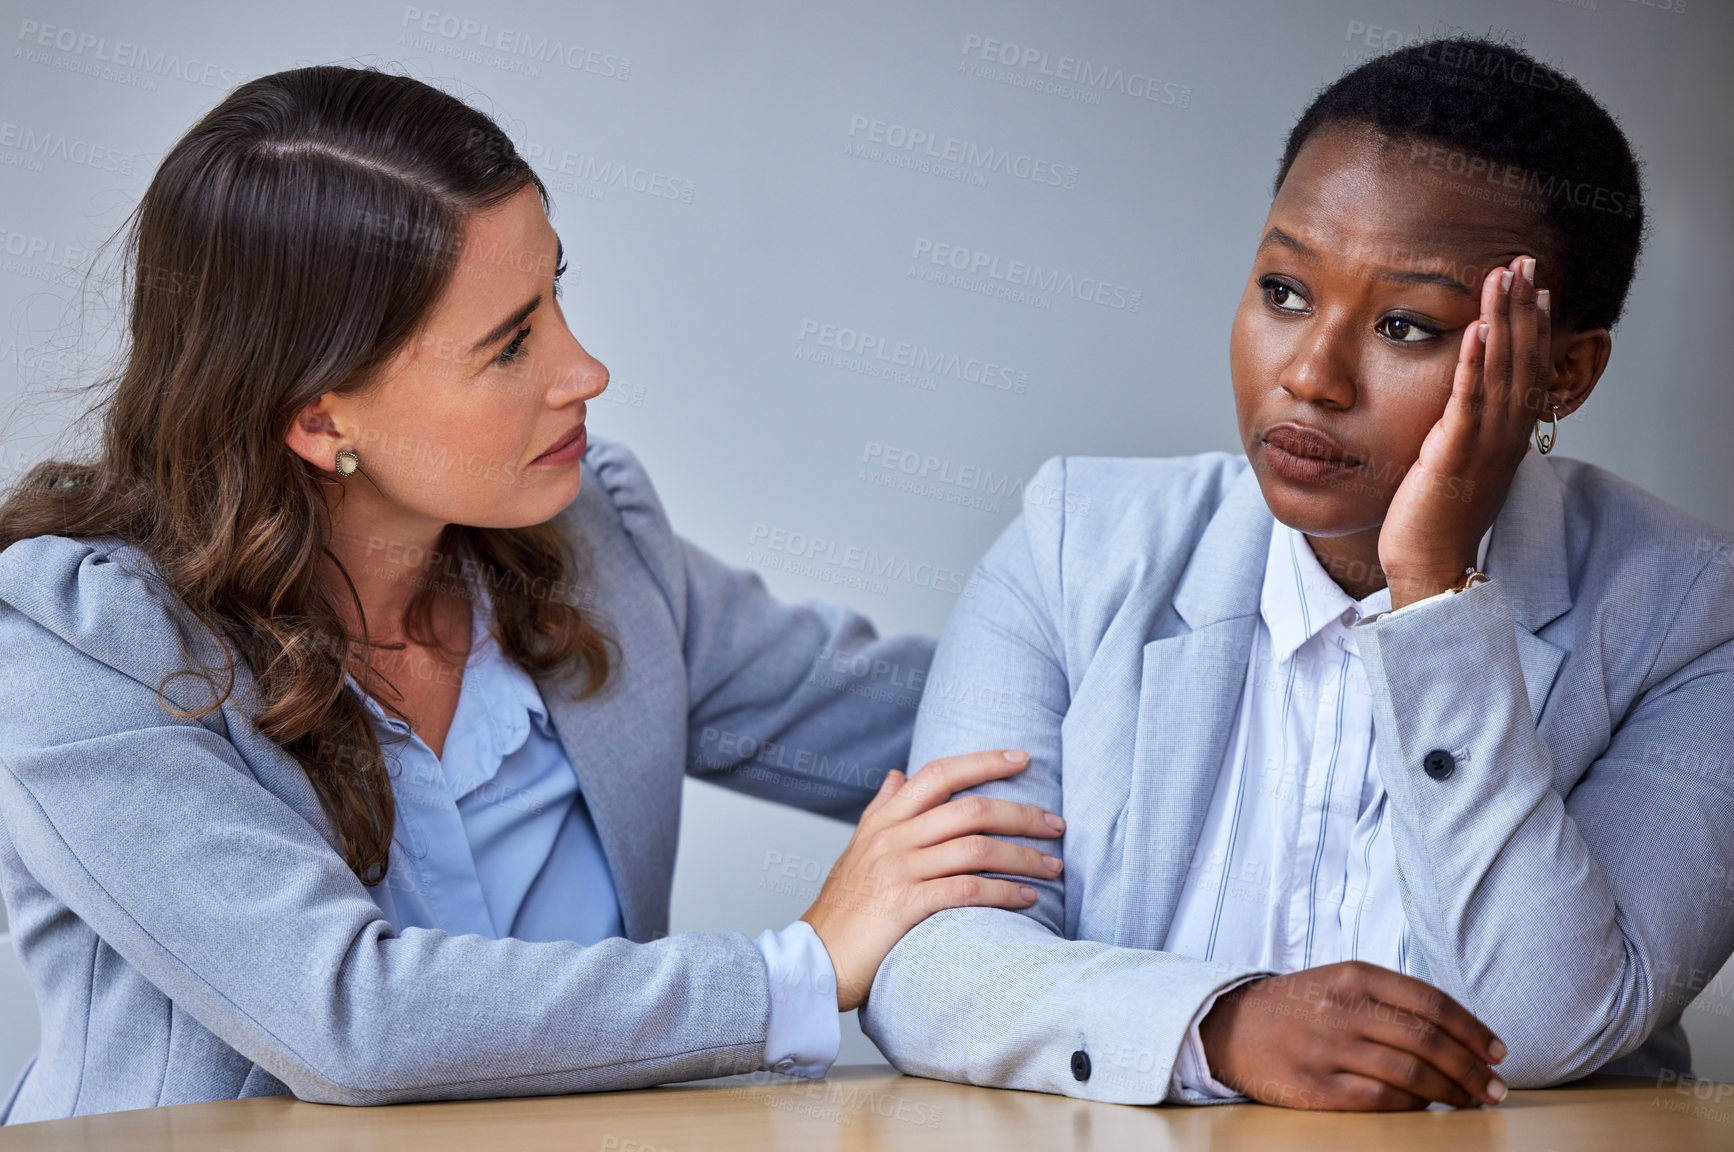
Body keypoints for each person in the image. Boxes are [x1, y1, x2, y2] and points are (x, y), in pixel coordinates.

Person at [0, 66, 1065, 1124]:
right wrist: (799, 968)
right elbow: (352, 1022)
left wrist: (1150, 600)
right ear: (322, 422)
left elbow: (941, 721)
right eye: (510, 344)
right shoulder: (78, 645)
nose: (585, 369)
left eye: (557, 293)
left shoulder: (595, 536)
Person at [860, 37, 1734, 1111]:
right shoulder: (1076, 543)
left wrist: (1436, 597)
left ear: (1562, 372)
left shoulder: (1689, 615)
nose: (1310, 376)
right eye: (1284, 291)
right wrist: (1216, 1024)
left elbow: (1544, 1023)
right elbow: (926, 963)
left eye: (1405, 325)